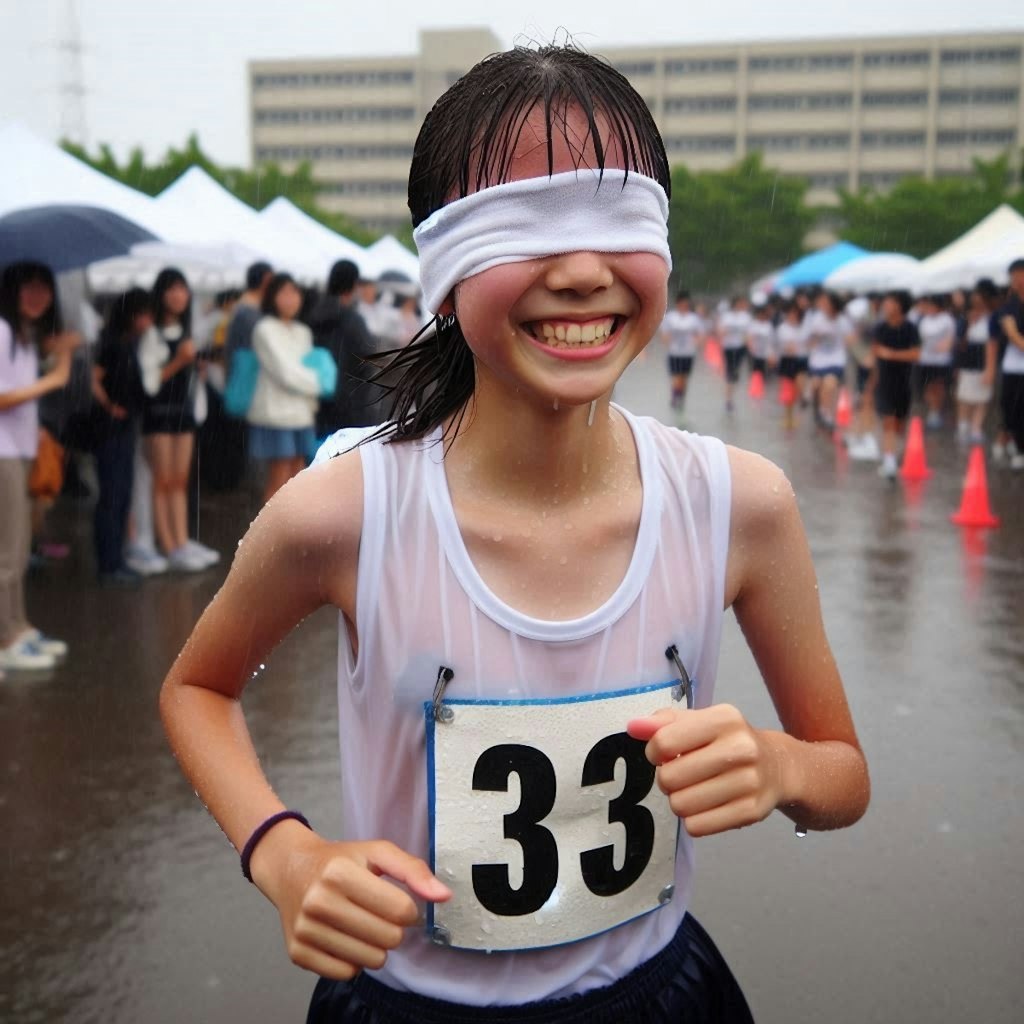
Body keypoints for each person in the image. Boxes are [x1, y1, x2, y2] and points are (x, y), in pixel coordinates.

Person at [160, 45, 869, 1024]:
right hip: (407, 1003)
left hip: (658, 992)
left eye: (615, 221)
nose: (581, 270)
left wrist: (780, 763)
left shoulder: (738, 502)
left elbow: (843, 774)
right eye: (524, 226)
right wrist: (282, 850)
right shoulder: (345, 509)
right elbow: (197, 687)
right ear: (443, 271)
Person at [0, 261, 79, 671]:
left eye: (44, 289)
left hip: (18, 449)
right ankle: (6, 637)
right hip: (4, 454)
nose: (37, 296)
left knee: (16, 546)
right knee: (7, 551)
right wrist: (55, 377)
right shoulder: (3, 332)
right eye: (28, 288)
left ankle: (18, 626)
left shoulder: (23, 337)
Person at [137, 268, 218, 572]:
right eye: (172, 289)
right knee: (162, 481)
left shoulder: (187, 334)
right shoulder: (151, 333)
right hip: (158, 416)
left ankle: (181, 541)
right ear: (161, 295)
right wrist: (179, 362)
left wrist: (194, 369)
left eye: (182, 289)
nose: (178, 295)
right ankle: (168, 545)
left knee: (179, 481)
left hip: (183, 414)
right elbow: (150, 382)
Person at [91, 288, 152, 586]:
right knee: (113, 494)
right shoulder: (112, 343)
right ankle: (109, 561)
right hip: (110, 429)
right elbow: (93, 378)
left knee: (122, 492)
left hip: (124, 427)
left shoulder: (128, 343)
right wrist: (108, 406)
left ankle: (117, 558)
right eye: (142, 314)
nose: (146, 321)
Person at [248, 272, 323, 504]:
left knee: (298, 474)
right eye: (284, 292)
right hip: (276, 414)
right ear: (272, 297)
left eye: (295, 292)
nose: (291, 298)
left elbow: (300, 369)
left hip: (302, 414)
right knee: (278, 479)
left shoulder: (303, 331)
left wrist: (310, 382)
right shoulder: (264, 328)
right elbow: (285, 372)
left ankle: (293, 533)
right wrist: (317, 383)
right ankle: (272, 536)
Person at [307, 260, 381, 435]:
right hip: (350, 404)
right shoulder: (352, 320)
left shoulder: (313, 313)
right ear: (353, 285)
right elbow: (369, 358)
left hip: (317, 398)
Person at [872, 291, 921, 479]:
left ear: (899, 305)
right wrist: (870, 386)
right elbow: (876, 353)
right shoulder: (880, 328)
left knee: (899, 423)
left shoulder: (910, 328)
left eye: (890, 301)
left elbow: (916, 354)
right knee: (888, 421)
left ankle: (894, 456)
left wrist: (891, 354)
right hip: (884, 381)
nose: (885, 304)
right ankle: (889, 461)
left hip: (904, 381)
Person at [805, 291, 853, 430]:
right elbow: (809, 340)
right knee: (816, 386)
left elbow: (850, 338)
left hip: (836, 359)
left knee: (829, 384)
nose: (823, 305)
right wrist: (815, 338)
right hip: (818, 360)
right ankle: (818, 407)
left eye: (826, 303)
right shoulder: (816, 319)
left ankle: (826, 414)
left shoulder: (842, 320)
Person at [955, 287, 997, 445]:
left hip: (983, 361)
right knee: (964, 397)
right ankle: (963, 425)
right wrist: (968, 323)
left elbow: (992, 344)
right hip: (967, 361)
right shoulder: (965, 320)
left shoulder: (992, 319)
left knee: (982, 398)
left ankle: (976, 427)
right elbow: (959, 343)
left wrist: (990, 368)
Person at [658, 289, 703, 419]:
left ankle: (681, 398)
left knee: (684, 379)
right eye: (682, 303)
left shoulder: (693, 318)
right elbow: (664, 333)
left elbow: (700, 334)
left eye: (686, 303)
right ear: (678, 304)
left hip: (688, 354)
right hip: (674, 353)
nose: (684, 306)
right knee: (676, 378)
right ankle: (675, 396)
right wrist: (667, 342)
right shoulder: (671, 317)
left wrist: (697, 342)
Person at [997, 258, 1024, 469]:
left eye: (1020, 273)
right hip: (1014, 367)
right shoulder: (1009, 307)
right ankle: (1017, 445)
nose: (1017, 279)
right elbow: (1013, 335)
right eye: (1014, 275)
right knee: (1011, 409)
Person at [915, 295, 956, 430]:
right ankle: (932, 409)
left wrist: (943, 347)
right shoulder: (924, 320)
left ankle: (936, 411)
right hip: (926, 359)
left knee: (938, 385)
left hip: (941, 360)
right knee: (928, 386)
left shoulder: (947, 319)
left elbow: (950, 339)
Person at [775, 299, 808, 431]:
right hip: (787, 362)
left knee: (799, 381)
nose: (793, 316)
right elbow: (786, 346)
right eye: (791, 313)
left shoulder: (802, 327)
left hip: (800, 361)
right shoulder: (783, 328)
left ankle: (803, 397)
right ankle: (789, 418)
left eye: (795, 313)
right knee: (788, 393)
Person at [716, 295, 751, 411]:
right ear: (735, 304)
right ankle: (728, 399)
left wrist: (749, 344)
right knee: (730, 372)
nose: (743, 306)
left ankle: (730, 395)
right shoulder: (727, 317)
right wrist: (722, 334)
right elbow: (720, 330)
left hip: (740, 348)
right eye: (741, 303)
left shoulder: (746, 317)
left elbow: (749, 333)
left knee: (735, 373)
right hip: (729, 348)